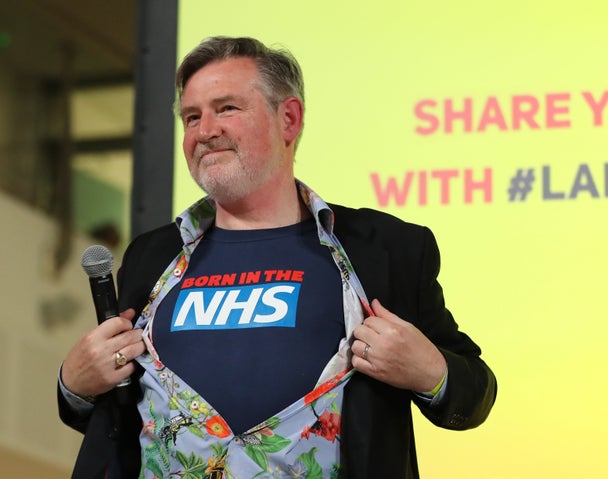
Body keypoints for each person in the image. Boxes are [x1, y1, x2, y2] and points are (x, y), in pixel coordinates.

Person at [58, 36, 497, 479]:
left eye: (226, 109)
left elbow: (473, 394)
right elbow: (119, 422)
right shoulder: (152, 256)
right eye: (191, 117)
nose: (205, 131)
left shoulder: (382, 249)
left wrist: (429, 372)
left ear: (288, 119)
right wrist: (73, 386)